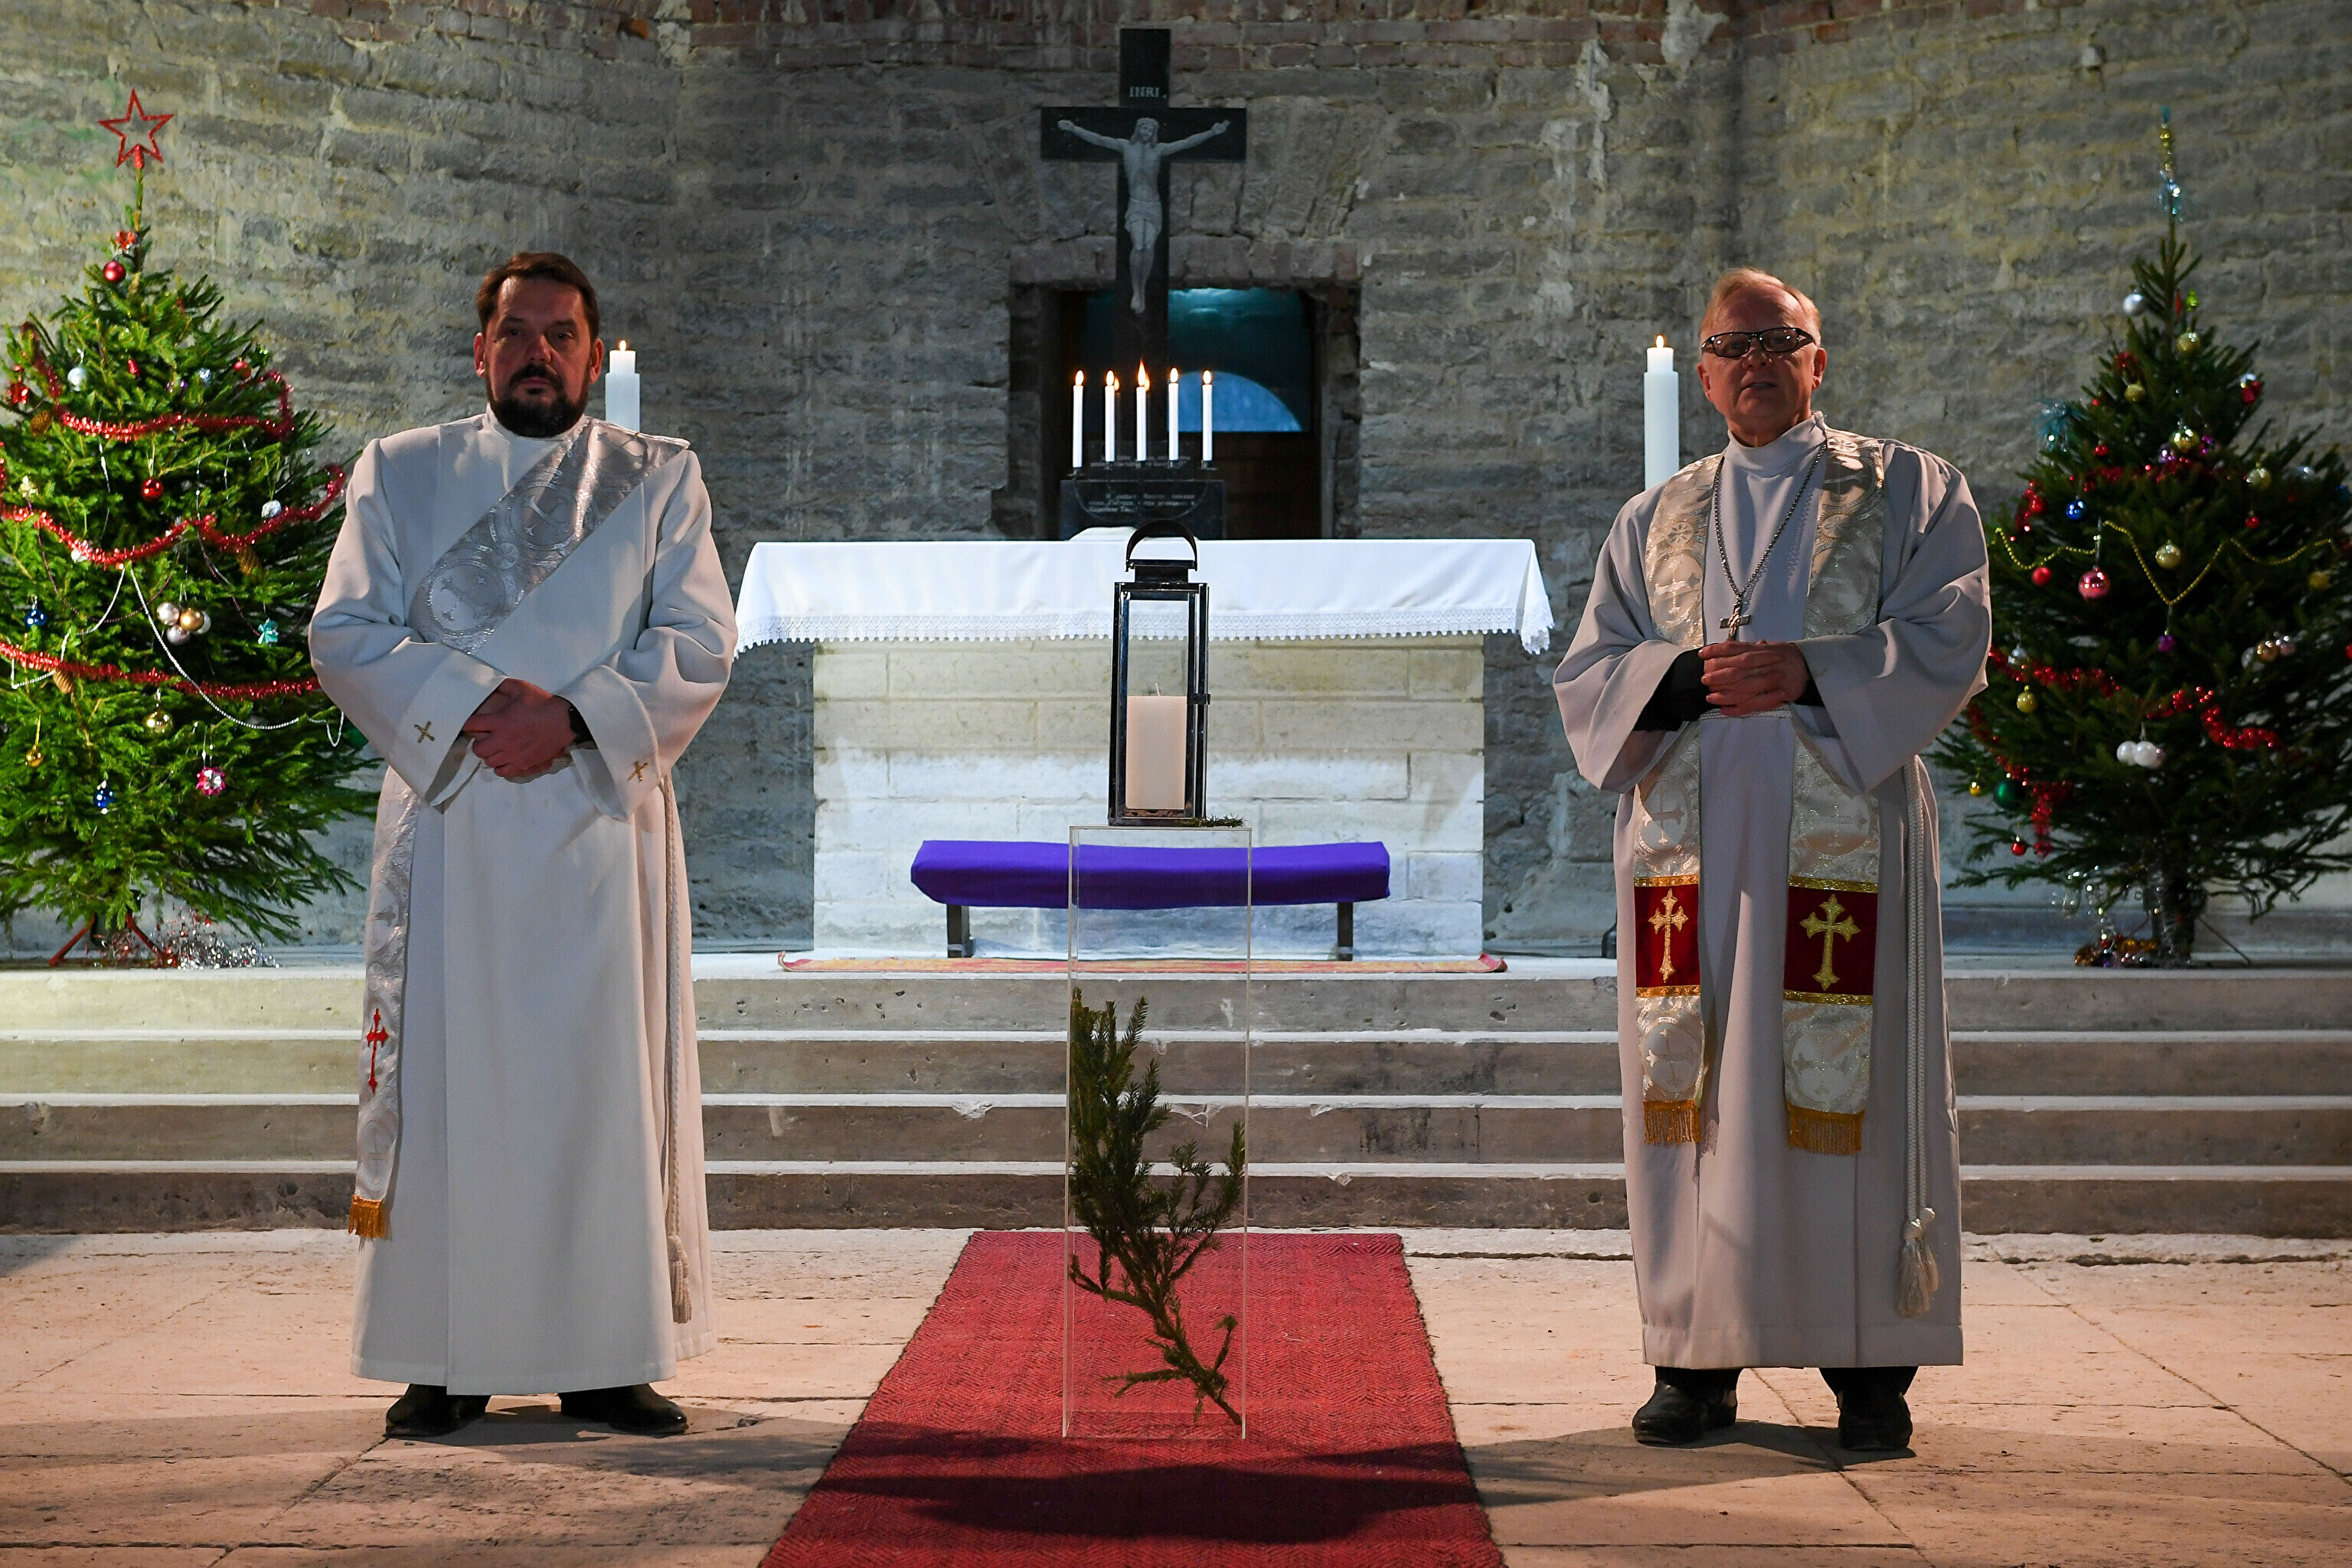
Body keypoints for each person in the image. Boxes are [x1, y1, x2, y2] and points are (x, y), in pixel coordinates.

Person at [1554, 268, 1991, 1452]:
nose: (1755, 363)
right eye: (1733, 346)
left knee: (1852, 1088)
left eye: (1778, 342)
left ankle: (1869, 1367)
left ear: (1818, 361)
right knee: (1691, 1097)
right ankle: (1696, 1360)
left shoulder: (1907, 489)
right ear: (1703, 375)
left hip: (1839, 846)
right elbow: (1592, 671)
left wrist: (1811, 672)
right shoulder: (1653, 519)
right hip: (1689, 854)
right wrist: (1678, 679)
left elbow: (1953, 629)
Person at [311, 252, 736, 1439]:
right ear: (480, 351)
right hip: (452, 824)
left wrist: (573, 718)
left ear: (593, 355)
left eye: (560, 334)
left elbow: (700, 639)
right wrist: (471, 707)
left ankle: (604, 1358)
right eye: (515, 333)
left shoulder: (658, 478)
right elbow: (344, 632)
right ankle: (442, 1357)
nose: (537, 353)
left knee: (597, 1097)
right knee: (452, 1093)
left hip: (598, 829)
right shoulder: (400, 472)